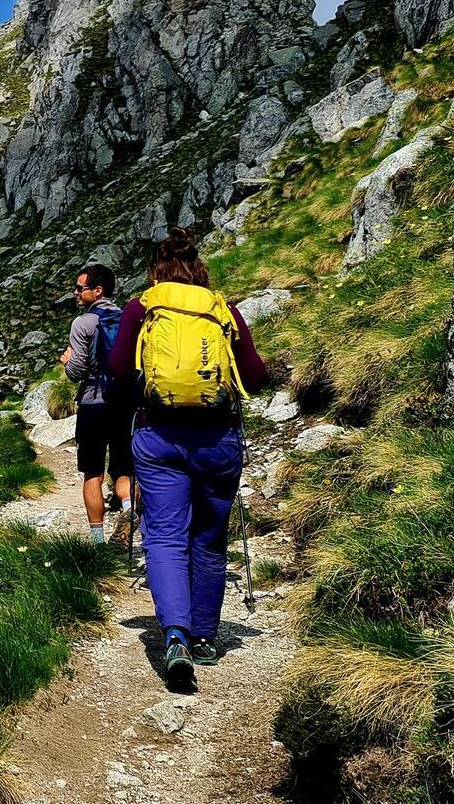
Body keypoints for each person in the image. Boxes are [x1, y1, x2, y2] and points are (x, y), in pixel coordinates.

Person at [105, 226, 267, 691]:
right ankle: (205, 637)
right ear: (199, 269)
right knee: (209, 540)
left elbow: (117, 369)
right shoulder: (222, 309)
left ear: (156, 271)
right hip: (217, 440)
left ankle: (174, 635)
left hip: (159, 436)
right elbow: (255, 377)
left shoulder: (142, 306)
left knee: (164, 537)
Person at [60, 262, 129, 544]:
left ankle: (99, 543)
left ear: (97, 290)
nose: (75, 293)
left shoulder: (83, 323)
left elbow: (76, 371)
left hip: (93, 402)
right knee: (124, 469)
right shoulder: (127, 319)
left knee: (93, 473)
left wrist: (67, 362)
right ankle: (129, 511)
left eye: (80, 288)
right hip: (124, 403)